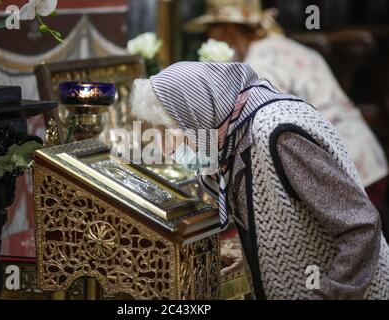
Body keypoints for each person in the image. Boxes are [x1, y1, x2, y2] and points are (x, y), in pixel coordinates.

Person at [130, 61, 389, 299]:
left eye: (172, 132)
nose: (168, 148)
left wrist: (331, 294)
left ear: (196, 115)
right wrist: (256, 255)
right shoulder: (237, 132)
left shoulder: (277, 133)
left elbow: (360, 226)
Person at [186, 0, 389, 216]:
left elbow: (256, 127)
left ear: (228, 29)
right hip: (363, 160)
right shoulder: (278, 45)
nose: (209, 38)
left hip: (344, 169)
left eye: (212, 31)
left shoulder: (260, 62)